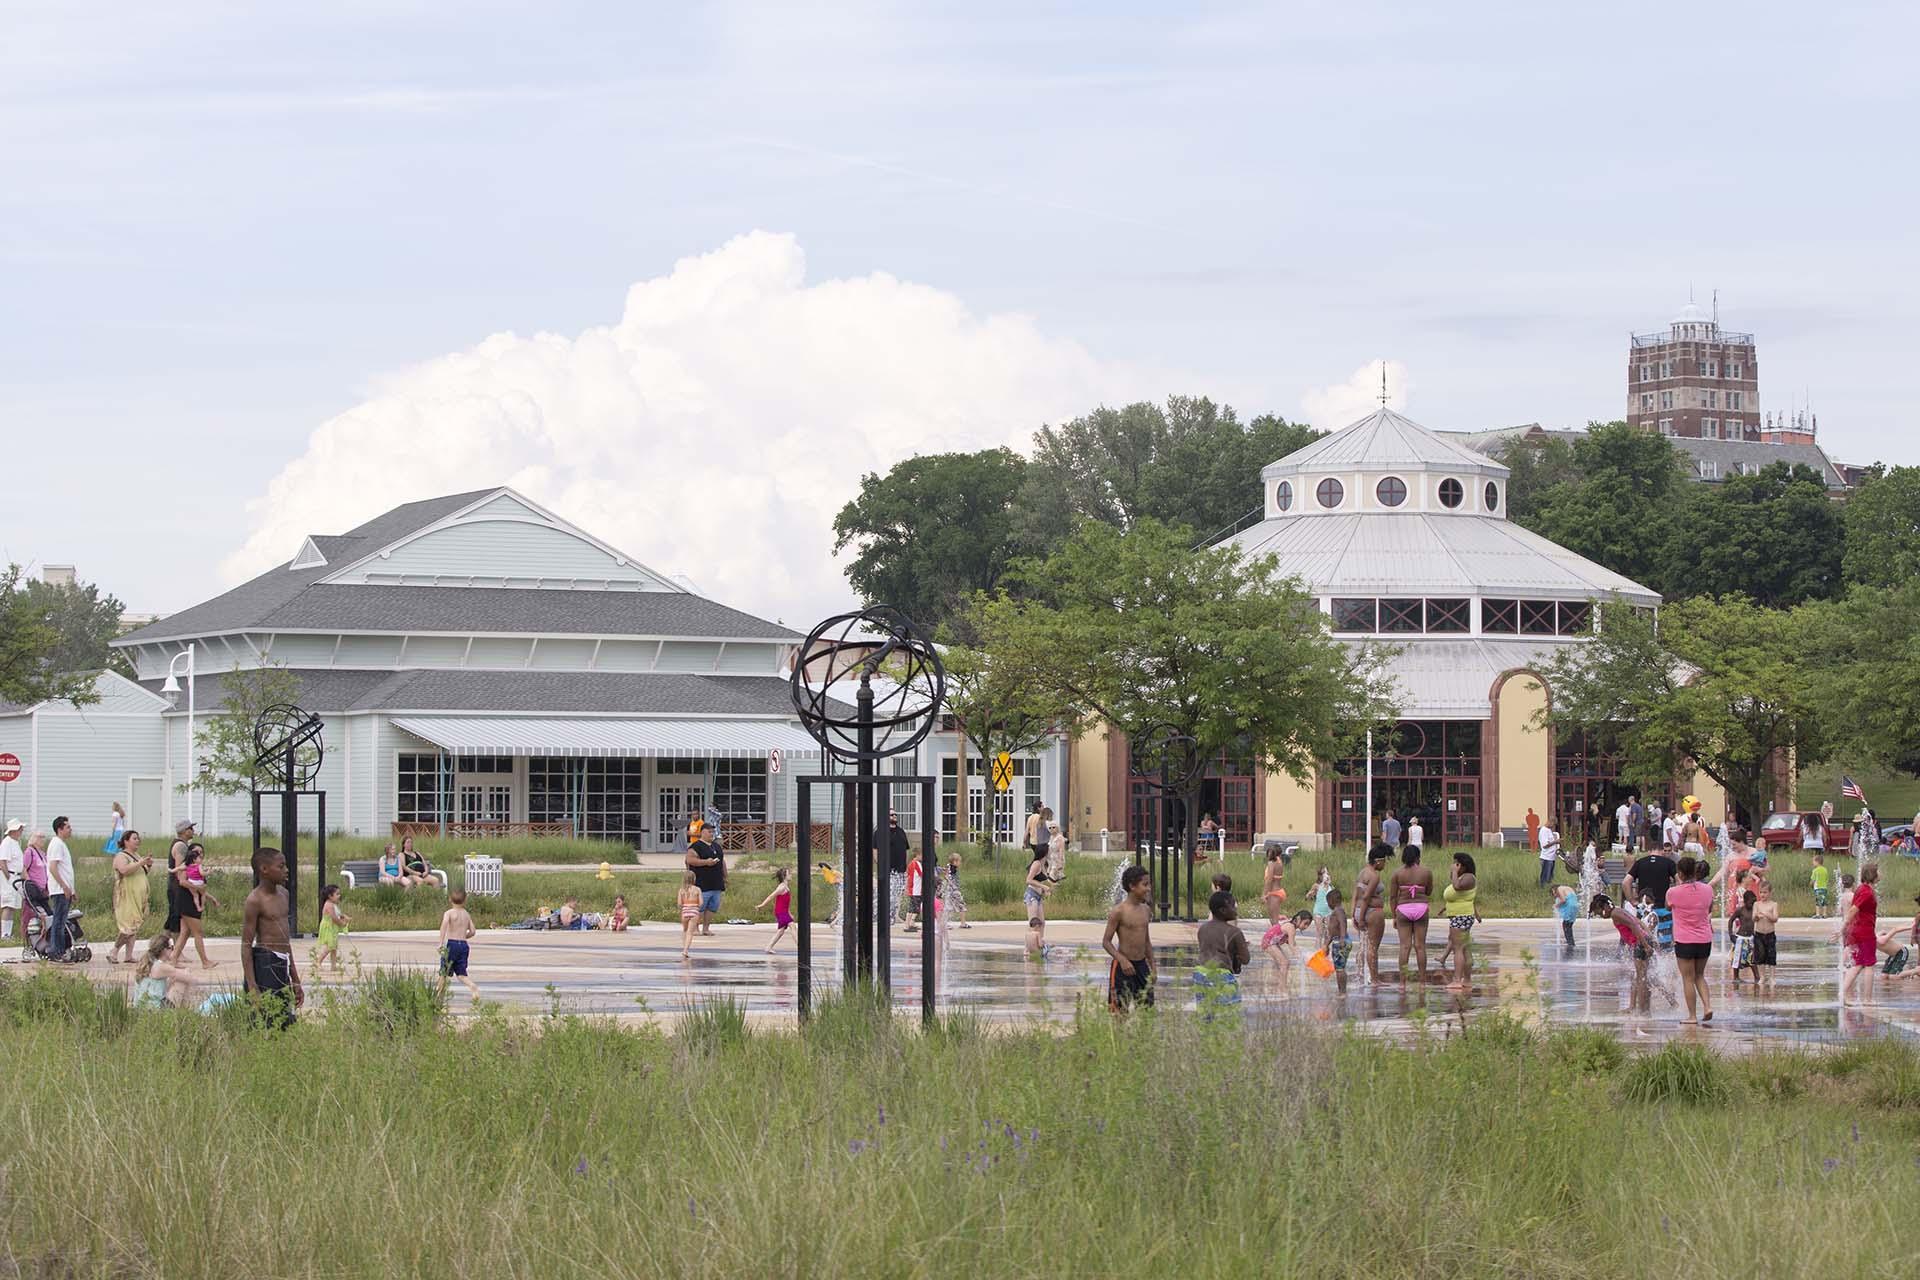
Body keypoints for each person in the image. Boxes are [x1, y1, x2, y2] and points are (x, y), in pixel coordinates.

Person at [240, 847, 302, 1027]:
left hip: (283, 962)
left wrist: (295, 979)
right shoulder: (255, 900)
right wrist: (252, 986)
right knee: (266, 1020)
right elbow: (246, 945)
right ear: (264, 870)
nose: (286, 870)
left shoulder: (284, 894)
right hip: (265, 963)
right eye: (281, 866)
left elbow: (285, 940)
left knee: (286, 1020)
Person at [1590, 893, 1661, 1016]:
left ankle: (1643, 1011)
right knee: (1639, 977)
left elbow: (1634, 925)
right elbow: (1639, 922)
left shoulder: (1615, 914)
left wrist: (1645, 945)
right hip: (1641, 942)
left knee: (1641, 979)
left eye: (1599, 912)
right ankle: (1637, 1008)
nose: (1601, 916)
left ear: (1606, 907)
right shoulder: (1618, 911)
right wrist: (1650, 937)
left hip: (1640, 943)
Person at [1667, 856, 1715, 1025]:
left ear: (1679, 873)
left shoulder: (1673, 892)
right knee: (1700, 975)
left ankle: (1692, 1016)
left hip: (1684, 940)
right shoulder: (1707, 889)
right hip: (1704, 939)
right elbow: (1709, 907)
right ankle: (1708, 1006)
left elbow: (1668, 906)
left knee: (1688, 978)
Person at [1103, 864, 1155, 1013]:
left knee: (1147, 1009)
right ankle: (1118, 1036)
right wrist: (1122, 960)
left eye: (1149, 884)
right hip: (1122, 967)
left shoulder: (1146, 910)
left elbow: (1147, 941)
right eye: (1145, 884)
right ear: (1132, 886)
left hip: (1142, 966)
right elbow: (1106, 942)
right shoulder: (1118, 911)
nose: (1148, 888)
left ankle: (1142, 1036)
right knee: (1119, 1011)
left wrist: (1153, 966)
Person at [1386, 844, 1434, 993]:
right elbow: (1429, 891)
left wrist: (1394, 915)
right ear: (1418, 857)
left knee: (1404, 947)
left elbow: (1393, 897)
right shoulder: (1426, 872)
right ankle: (1422, 983)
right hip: (1421, 908)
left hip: (1403, 909)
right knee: (1420, 946)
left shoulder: (1397, 874)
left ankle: (1402, 983)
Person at [1193, 890, 1249, 1010]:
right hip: (1222, 975)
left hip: (1201, 973)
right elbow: (1245, 959)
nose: (1236, 910)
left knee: (1206, 1014)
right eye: (1233, 906)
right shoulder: (1235, 932)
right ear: (1223, 910)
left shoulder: (1203, 928)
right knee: (1228, 1015)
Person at [169, 843, 218, 968]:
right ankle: (205, 961)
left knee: (185, 932)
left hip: (192, 900)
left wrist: (211, 897)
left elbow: (201, 887)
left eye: (201, 852)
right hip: (187, 901)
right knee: (198, 932)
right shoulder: (187, 867)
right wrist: (197, 888)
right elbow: (183, 882)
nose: (200, 854)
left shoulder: (198, 867)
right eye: (196, 852)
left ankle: (173, 959)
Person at [109, 829, 153, 964]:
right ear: (126, 841)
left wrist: (147, 865)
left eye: (138, 838)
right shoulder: (121, 856)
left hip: (137, 898)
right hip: (125, 897)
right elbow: (124, 870)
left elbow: (140, 873)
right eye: (134, 838)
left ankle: (128, 955)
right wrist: (140, 863)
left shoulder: (136, 855)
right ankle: (114, 951)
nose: (137, 841)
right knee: (128, 927)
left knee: (135, 926)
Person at [1843, 862, 1881, 1006]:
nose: (1880, 873)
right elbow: (1853, 909)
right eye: (1878, 871)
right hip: (1865, 931)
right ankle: (1867, 999)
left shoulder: (1861, 888)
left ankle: (1843, 993)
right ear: (1873, 874)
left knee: (1858, 964)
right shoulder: (1866, 891)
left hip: (1858, 930)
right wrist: (1843, 925)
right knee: (1870, 965)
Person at [1627, 841, 1678, 946]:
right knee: (1664, 943)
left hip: (1644, 909)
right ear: (1662, 851)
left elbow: (1625, 882)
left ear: (1649, 851)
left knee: (1644, 940)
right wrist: (1674, 900)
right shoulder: (1668, 863)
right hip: (1663, 909)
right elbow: (1679, 881)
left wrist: (1632, 900)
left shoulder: (1640, 862)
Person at [1441, 853, 1479, 992]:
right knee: (1465, 948)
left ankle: (1457, 979)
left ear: (1463, 865)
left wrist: (1454, 872)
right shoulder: (1464, 877)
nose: (1454, 866)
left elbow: (1456, 886)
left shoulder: (1469, 877)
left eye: (1457, 864)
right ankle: (1467, 979)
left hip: (1461, 916)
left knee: (1458, 949)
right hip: (1460, 915)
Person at [130, 932, 198, 1009]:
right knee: (181, 981)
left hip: (140, 1006)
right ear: (164, 950)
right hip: (154, 1009)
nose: (173, 950)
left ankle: (184, 1010)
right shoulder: (161, 967)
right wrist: (187, 970)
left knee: (174, 979)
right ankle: (186, 1009)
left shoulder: (148, 963)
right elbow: (192, 980)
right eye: (171, 948)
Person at [434, 888, 480, 1000]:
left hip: (452, 944)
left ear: (450, 899)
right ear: (465, 900)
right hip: (463, 945)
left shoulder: (449, 913)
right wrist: (464, 937)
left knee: (444, 972)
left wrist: (440, 942)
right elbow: (473, 931)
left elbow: (444, 927)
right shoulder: (466, 914)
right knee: (461, 974)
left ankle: (439, 995)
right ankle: (472, 986)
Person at [1353, 843, 1389, 984]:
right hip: (1371, 912)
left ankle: (1360, 975)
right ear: (1378, 861)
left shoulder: (1362, 872)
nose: (1385, 864)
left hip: (1359, 910)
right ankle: (1374, 979)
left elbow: (1356, 894)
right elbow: (1367, 897)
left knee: (1363, 945)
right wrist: (1361, 918)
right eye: (1384, 861)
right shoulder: (1374, 876)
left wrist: (1354, 914)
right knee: (1373, 946)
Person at [686, 820, 726, 936]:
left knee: (713, 906)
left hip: (716, 882)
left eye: (712, 832)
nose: (711, 834)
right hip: (701, 882)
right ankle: (695, 928)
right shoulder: (696, 846)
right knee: (700, 906)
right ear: (702, 832)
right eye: (709, 832)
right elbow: (689, 860)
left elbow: (722, 862)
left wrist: (725, 876)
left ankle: (706, 928)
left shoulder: (716, 846)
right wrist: (705, 862)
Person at [44, 818, 76, 960]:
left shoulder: (61, 844)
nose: (70, 829)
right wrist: (64, 886)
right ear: (60, 829)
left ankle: (60, 950)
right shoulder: (56, 844)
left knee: (62, 921)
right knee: (58, 921)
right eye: (68, 827)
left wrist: (72, 890)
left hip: (64, 890)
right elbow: (53, 867)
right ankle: (56, 951)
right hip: (59, 890)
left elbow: (65, 870)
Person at [874, 809, 909, 924]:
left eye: (895, 814)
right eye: (892, 815)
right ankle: (885, 915)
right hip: (887, 868)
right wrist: (879, 862)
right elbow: (875, 849)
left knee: (898, 893)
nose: (894, 816)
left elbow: (906, 849)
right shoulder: (880, 832)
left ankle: (896, 915)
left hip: (901, 868)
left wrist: (906, 865)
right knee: (888, 892)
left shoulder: (901, 831)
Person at [1262, 910, 1310, 981]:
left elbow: (1292, 943)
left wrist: (1301, 952)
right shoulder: (1291, 928)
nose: (1306, 927)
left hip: (1271, 942)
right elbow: (1292, 946)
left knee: (1281, 963)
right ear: (1299, 919)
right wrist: (1300, 957)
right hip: (1269, 943)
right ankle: (1282, 988)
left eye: (1308, 925)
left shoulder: (1290, 924)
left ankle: (1276, 983)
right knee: (1285, 963)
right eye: (1305, 923)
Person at [1751, 878, 1780, 994]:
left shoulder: (1773, 905)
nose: (1763, 894)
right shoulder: (1756, 904)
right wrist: (1757, 916)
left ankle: (1772, 977)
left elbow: (1775, 919)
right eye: (1761, 892)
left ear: (1770, 893)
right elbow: (1753, 918)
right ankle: (1762, 976)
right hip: (1759, 933)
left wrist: (1768, 915)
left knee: (1771, 955)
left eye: (1765, 892)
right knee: (1760, 955)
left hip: (1770, 933)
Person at [756, 867, 794, 953]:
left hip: (783, 911)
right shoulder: (781, 888)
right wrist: (762, 905)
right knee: (792, 926)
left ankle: (768, 947)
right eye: (789, 873)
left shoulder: (786, 887)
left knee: (781, 931)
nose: (791, 875)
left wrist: (789, 913)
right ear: (784, 876)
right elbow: (770, 896)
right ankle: (800, 947)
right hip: (780, 912)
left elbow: (785, 903)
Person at [1024, 847, 1052, 961]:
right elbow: (1028, 880)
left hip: (1039, 896)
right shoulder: (1036, 864)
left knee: (1042, 922)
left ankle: (1039, 945)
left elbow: (1040, 880)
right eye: (1049, 850)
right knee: (1033, 923)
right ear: (1044, 852)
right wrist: (1043, 886)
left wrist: (1045, 890)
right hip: (1032, 895)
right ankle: (1027, 948)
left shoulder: (1044, 864)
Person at [316, 884, 348, 973]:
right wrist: (342, 924)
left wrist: (344, 917)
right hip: (328, 927)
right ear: (330, 896)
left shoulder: (333, 904)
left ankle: (333, 966)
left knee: (334, 947)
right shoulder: (329, 905)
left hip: (333, 927)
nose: (339, 896)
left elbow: (338, 914)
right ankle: (318, 962)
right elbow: (334, 918)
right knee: (329, 946)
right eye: (337, 894)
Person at [0, 818, 22, 942]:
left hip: (16, 876)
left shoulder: (15, 843)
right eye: (19, 829)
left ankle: (8, 933)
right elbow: (2, 862)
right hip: (9, 876)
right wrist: (8, 878)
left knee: (12, 905)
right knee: (7, 904)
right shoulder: (7, 842)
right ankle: (4, 934)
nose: (21, 831)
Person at [1728, 890, 1757, 985]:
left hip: (1750, 938)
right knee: (1737, 958)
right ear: (1745, 901)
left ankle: (1757, 976)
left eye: (1754, 902)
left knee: (1752, 958)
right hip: (1740, 938)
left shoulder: (1754, 910)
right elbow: (1731, 920)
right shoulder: (1741, 910)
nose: (1752, 904)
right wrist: (1731, 934)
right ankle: (1736, 977)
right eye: (1751, 902)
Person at [677, 872, 702, 958]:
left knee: (685, 930)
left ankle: (684, 947)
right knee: (690, 932)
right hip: (694, 911)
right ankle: (686, 950)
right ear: (694, 879)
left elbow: (679, 903)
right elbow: (701, 903)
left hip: (685, 911)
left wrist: (685, 906)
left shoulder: (681, 890)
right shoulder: (697, 889)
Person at [1261, 845, 1289, 926]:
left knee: (1274, 921)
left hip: (1274, 892)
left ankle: (1278, 937)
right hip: (1279, 891)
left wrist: (1264, 894)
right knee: (1275, 919)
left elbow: (1269, 880)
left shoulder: (1272, 863)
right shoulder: (1279, 862)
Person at [1309, 864, 1333, 949]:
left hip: (1328, 912)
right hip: (1318, 912)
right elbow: (1308, 896)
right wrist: (1310, 895)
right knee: (1319, 933)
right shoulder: (1316, 886)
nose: (1326, 874)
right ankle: (1317, 953)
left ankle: (1326, 953)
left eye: (1327, 872)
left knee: (1328, 934)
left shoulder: (1331, 887)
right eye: (1324, 873)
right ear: (1320, 875)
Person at [944, 853, 969, 928]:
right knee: (962, 906)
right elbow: (949, 874)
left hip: (949, 891)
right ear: (955, 862)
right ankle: (963, 923)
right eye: (959, 861)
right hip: (955, 891)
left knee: (948, 907)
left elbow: (946, 875)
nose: (960, 863)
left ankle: (945, 923)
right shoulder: (953, 868)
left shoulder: (949, 867)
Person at [1552, 883, 1579, 948]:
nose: (1555, 895)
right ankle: (1571, 942)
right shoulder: (1568, 888)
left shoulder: (1559, 888)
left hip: (1569, 906)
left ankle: (1570, 943)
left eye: (1553, 893)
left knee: (1565, 925)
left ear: (1554, 889)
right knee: (1569, 925)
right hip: (1575, 906)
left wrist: (1556, 905)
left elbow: (1563, 900)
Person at [902, 851, 924, 933]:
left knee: (913, 908)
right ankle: (907, 925)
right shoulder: (916, 863)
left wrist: (907, 887)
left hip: (912, 888)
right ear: (917, 855)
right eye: (921, 855)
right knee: (914, 908)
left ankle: (910, 923)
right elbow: (922, 874)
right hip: (916, 889)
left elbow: (907, 875)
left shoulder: (911, 863)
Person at [1811, 852, 1833, 919]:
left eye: (1813, 861)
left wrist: (1811, 884)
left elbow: (1813, 879)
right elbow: (1827, 878)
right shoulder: (1825, 870)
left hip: (1817, 888)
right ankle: (1824, 914)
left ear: (1817, 862)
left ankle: (1818, 914)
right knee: (1824, 901)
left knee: (1817, 901)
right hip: (1824, 888)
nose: (1812, 863)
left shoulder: (1815, 870)